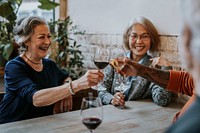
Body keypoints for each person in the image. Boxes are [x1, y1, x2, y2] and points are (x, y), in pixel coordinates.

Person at [0, 15, 104, 124]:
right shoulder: (14, 67)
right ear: (26, 41)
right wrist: (75, 85)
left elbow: (65, 77)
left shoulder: (50, 65)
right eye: (41, 37)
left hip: (40, 126)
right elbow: (36, 98)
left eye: (49, 36)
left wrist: (67, 87)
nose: (48, 42)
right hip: (11, 126)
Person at [98, 16, 173, 108]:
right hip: (111, 116)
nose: (139, 41)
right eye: (134, 36)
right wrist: (112, 99)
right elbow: (102, 90)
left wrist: (167, 68)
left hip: (139, 118)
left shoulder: (154, 68)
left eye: (144, 36)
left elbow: (162, 100)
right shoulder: (116, 62)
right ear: (128, 38)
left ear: (151, 39)